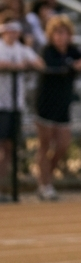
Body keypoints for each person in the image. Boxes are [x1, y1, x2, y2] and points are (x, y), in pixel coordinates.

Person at [34, 16, 81, 200]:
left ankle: (46, 178)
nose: (61, 37)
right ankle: (44, 184)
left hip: (64, 104)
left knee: (63, 144)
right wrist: (73, 66)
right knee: (45, 144)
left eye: (64, 32)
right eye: (57, 33)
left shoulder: (72, 50)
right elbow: (55, 66)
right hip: (46, 103)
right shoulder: (47, 51)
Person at [0, 17, 43, 195]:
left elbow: (40, 64)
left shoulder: (21, 49)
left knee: (9, 146)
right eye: (9, 29)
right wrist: (16, 66)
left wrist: (25, 64)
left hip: (15, 104)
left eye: (15, 30)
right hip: (1, 103)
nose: (13, 33)